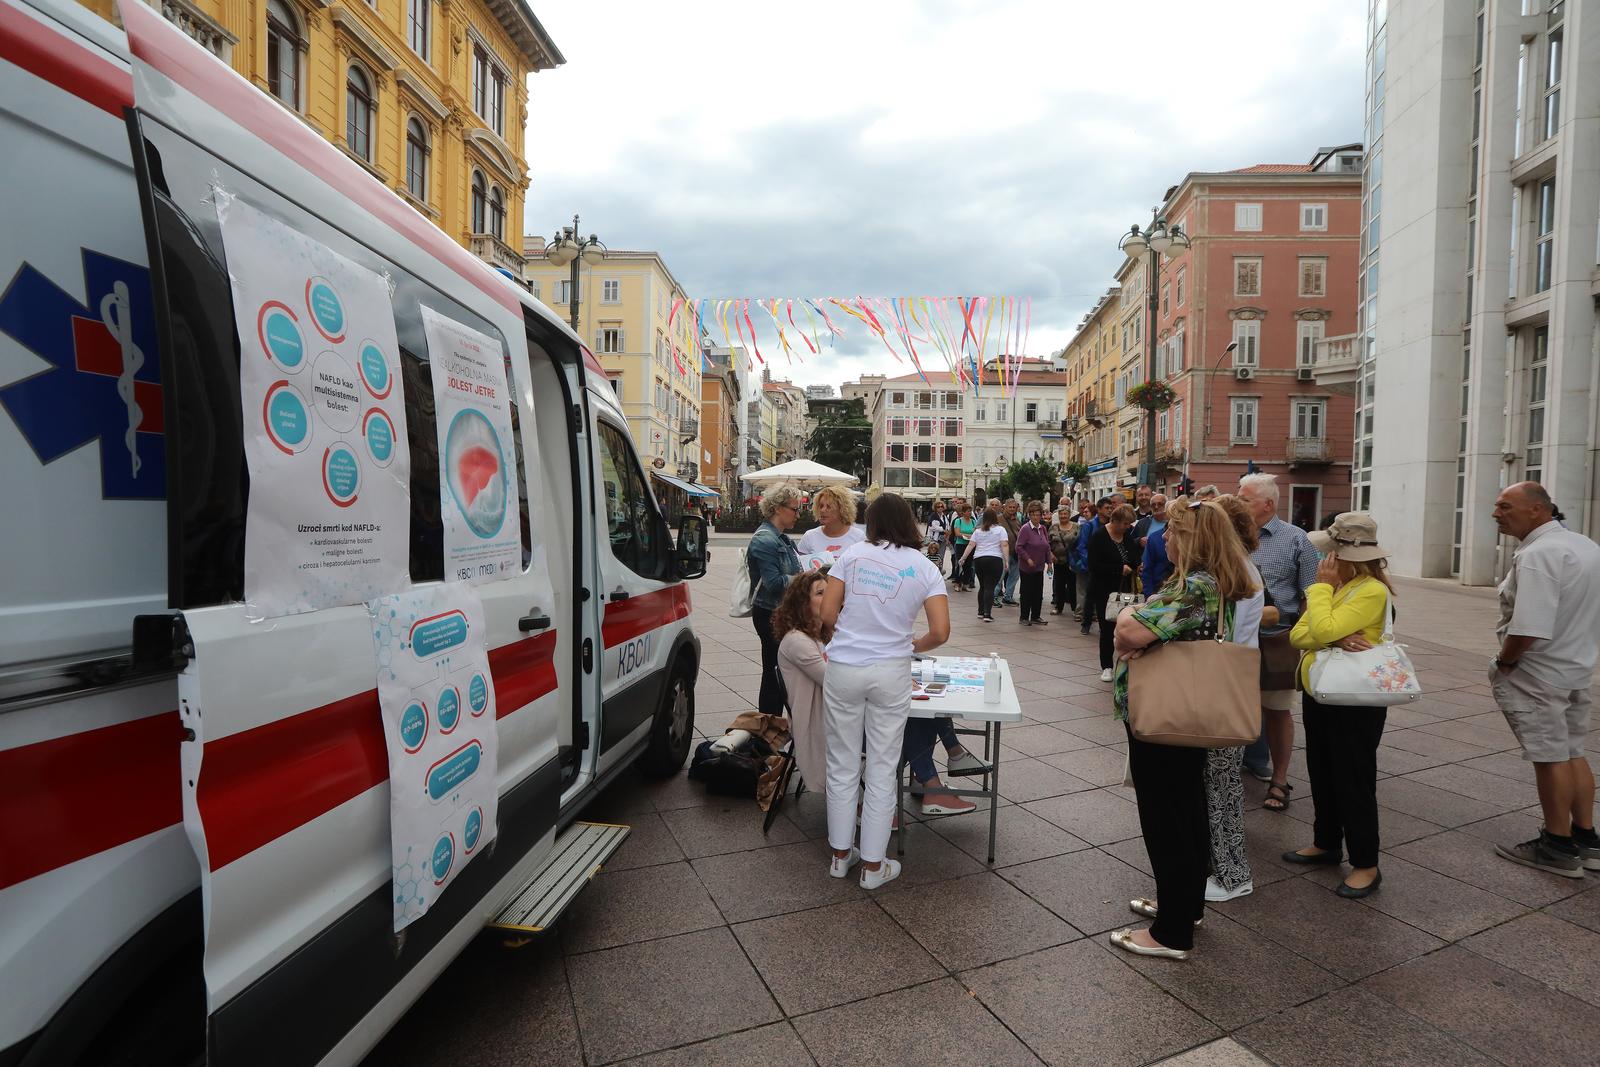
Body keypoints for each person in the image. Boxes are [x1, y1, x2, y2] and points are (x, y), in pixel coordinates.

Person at [1110, 498, 1259, 960]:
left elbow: (1128, 631)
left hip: (1166, 717)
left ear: (1191, 539)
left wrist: (1131, 621)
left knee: (1166, 818)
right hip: (1184, 715)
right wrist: (1142, 624)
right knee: (1187, 811)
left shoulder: (1196, 587)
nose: (1165, 538)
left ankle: (1171, 933)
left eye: (1173, 531)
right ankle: (1184, 905)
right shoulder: (1210, 583)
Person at [819, 494, 950, 889]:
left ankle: (840, 856)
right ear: (909, 521)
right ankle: (874, 866)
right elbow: (941, 631)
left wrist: (849, 636)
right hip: (891, 670)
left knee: (842, 763)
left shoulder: (852, 555)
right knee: (882, 766)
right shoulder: (924, 567)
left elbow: (827, 613)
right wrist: (913, 645)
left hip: (844, 667)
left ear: (871, 521)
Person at [1279, 512, 1395, 899]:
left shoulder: (1370, 590)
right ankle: (1326, 841)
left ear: (1344, 557)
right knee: (1323, 769)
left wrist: (1322, 594)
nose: (1323, 560)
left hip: (1355, 700)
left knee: (1353, 778)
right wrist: (1333, 637)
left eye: (1329, 553)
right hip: (1323, 693)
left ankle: (1366, 863)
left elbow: (1321, 627)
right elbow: (1299, 635)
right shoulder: (1342, 587)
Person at [1488, 482, 1600, 877]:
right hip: (1574, 666)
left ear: (1538, 510)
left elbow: (1528, 626)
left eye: (1505, 506)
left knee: (1550, 756)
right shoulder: (1585, 546)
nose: (1496, 514)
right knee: (1571, 750)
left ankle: (1557, 845)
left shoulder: (1539, 554)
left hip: (1538, 672)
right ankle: (1586, 839)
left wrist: (1505, 661)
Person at [1203, 494, 1279, 903]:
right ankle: (1225, 869)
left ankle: (1232, 875)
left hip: (1224, 686)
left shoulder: (1229, 571)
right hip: (1235, 681)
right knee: (1222, 781)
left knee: (1222, 783)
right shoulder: (1243, 566)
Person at [1236, 473, 1318, 809]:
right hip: (1236, 640)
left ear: (1267, 504)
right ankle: (1230, 774)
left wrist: (1301, 638)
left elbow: (1311, 594)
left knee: (1277, 711)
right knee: (1234, 707)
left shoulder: (1297, 539)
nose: (1238, 503)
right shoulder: (1232, 536)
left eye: (1244, 499)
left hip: (1277, 640)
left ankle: (1280, 781)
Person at [773, 570, 833, 791]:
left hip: (835, 711)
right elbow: (834, 680)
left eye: (829, 593)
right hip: (821, 720)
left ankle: (924, 779)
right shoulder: (797, 641)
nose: (829, 598)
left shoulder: (820, 633)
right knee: (903, 724)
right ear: (803, 603)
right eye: (820, 593)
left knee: (913, 721)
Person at [748, 483, 804, 715]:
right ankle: (769, 725)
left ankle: (775, 725)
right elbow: (773, 584)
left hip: (781, 612)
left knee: (779, 671)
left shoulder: (782, 538)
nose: (798, 515)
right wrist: (804, 579)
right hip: (770, 614)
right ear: (778, 508)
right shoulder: (765, 540)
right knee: (773, 673)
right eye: (795, 509)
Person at [1087, 504, 1141, 682]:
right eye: (1125, 523)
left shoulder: (1127, 536)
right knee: (1107, 628)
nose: (1128, 527)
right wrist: (1118, 569)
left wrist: (1135, 565)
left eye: (1129, 524)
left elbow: (1134, 557)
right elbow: (1093, 565)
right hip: (1104, 590)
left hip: (1125, 589)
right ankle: (1107, 666)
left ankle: (1127, 663)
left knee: (1127, 626)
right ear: (1115, 521)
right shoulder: (1099, 536)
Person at [960, 504, 1010, 622]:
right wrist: (1007, 560)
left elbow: (971, 545)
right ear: (995, 517)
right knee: (990, 587)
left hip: (979, 559)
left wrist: (963, 558)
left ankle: (980, 612)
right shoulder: (1000, 530)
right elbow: (1004, 545)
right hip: (994, 559)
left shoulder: (978, 531)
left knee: (982, 586)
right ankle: (987, 614)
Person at [1073, 497, 1113, 633]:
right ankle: (1086, 623)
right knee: (1090, 596)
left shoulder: (1112, 525)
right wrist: (1091, 562)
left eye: (1111, 508)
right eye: (1107, 508)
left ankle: (1104, 624)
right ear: (1099, 509)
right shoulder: (1089, 526)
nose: (1110, 510)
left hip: (1107, 567)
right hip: (1093, 567)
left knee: (1106, 597)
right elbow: (1082, 546)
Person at [797, 484, 865, 560]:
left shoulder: (859, 537)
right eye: (821, 506)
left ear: (842, 509)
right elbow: (799, 565)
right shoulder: (809, 536)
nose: (822, 510)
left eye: (828, 506)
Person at [1015, 500, 1051, 625]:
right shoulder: (1025, 529)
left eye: (1038, 514)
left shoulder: (1043, 529)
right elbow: (1019, 547)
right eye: (1033, 514)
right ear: (1029, 515)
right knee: (1026, 592)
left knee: (1038, 592)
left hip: (1039, 566)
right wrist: (1028, 558)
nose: (1036, 517)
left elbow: (1046, 547)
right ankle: (1024, 617)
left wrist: (1049, 563)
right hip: (1026, 567)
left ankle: (1036, 616)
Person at [1049, 501, 1081, 615]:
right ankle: (1059, 607)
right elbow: (1048, 543)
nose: (1063, 516)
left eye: (1065, 514)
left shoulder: (1076, 526)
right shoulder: (1054, 527)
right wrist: (1051, 555)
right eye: (1061, 514)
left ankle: (1075, 608)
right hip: (1058, 560)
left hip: (1072, 561)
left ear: (1069, 515)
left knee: (1073, 585)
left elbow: (1080, 542)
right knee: (1059, 585)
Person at [1141, 494, 1171, 596]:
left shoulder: (1188, 537)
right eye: (1153, 505)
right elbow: (1147, 570)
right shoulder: (1153, 536)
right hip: (1157, 590)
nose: (1156, 507)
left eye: (1160, 504)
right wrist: (1149, 595)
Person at [950, 499, 978, 592]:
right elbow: (957, 533)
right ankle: (957, 583)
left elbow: (975, 533)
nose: (970, 513)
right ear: (963, 512)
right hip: (960, 545)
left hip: (970, 545)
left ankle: (966, 583)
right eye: (968, 511)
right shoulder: (958, 521)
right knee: (960, 563)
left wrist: (968, 536)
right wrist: (967, 536)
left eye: (970, 511)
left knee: (969, 565)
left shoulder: (973, 521)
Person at [999, 499, 1022, 605]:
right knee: (1000, 576)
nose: (1012, 509)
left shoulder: (1017, 520)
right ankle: (994, 596)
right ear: (1005, 507)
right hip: (1003, 552)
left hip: (1016, 552)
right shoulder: (999, 519)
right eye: (1010, 507)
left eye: (1014, 507)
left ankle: (1008, 596)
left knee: (1014, 576)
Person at [925, 498, 952, 573]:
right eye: (938, 507)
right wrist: (943, 530)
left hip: (943, 539)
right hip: (935, 539)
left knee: (941, 556)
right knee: (932, 555)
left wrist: (947, 534)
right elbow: (933, 527)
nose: (940, 508)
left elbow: (947, 526)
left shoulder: (944, 516)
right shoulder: (933, 516)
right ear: (935, 508)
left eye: (941, 506)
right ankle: (931, 572)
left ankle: (939, 571)